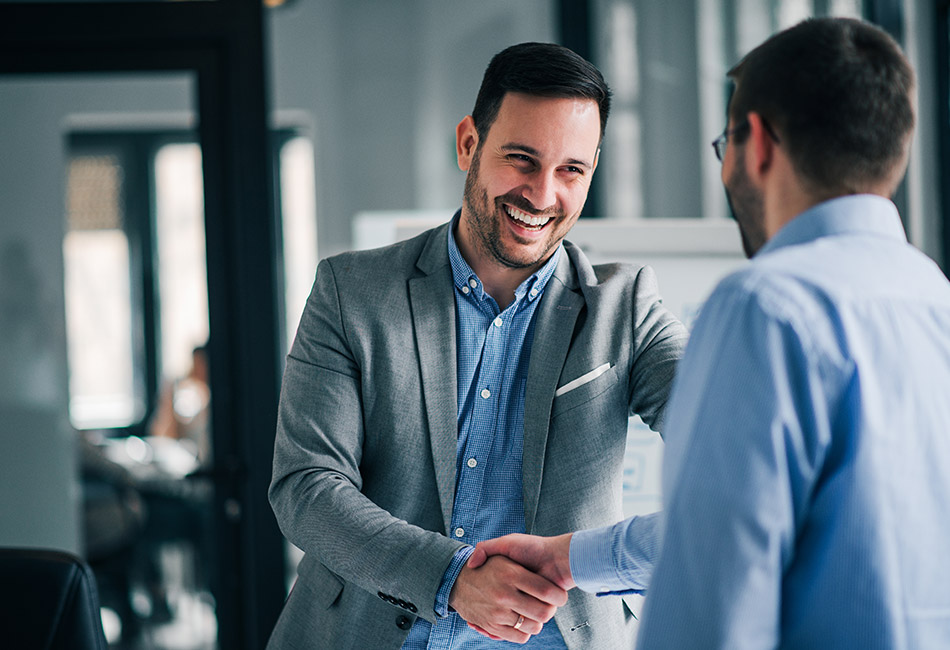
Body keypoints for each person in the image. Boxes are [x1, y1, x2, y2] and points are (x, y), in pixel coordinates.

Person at [470, 17, 950, 649]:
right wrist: (572, 556)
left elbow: (712, 585)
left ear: (757, 144)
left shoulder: (765, 307)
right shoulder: (932, 297)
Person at [267, 42, 688, 649]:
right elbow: (306, 487)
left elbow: (737, 455)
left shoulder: (624, 309)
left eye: (572, 170)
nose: (542, 195)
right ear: (469, 143)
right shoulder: (351, 292)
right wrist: (452, 579)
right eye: (521, 159)